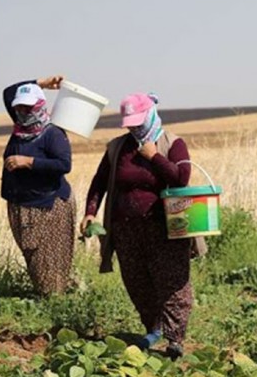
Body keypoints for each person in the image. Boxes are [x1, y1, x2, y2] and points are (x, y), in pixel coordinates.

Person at [81, 92, 193, 360]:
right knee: (137, 281)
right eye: (130, 123)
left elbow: (181, 179)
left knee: (173, 282)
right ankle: (153, 328)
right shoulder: (118, 148)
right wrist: (90, 212)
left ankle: (175, 339)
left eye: (138, 122)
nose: (134, 127)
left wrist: (154, 156)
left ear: (151, 114)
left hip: (165, 228)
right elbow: (100, 182)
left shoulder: (171, 143)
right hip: (126, 230)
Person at [1, 75, 76, 296]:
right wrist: (40, 83)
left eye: (28, 106)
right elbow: (8, 92)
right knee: (34, 258)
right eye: (20, 107)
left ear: (40, 105)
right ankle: (46, 297)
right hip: (21, 204)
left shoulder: (52, 133)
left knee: (50, 260)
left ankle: (55, 301)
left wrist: (29, 162)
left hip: (48, 206)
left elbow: (64, 164)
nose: (24, 111)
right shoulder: (20, 128)